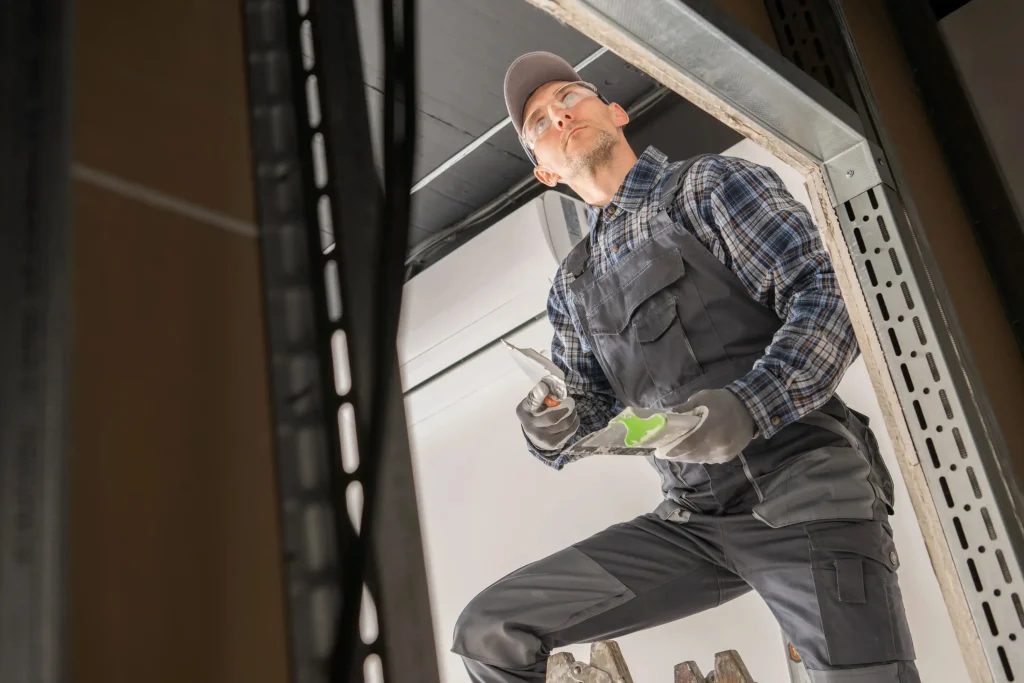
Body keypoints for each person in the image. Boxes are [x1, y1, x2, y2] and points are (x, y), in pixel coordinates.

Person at [451, 52, 918, 683]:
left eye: (569, 96)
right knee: (490, 632)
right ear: (543, 170)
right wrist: (552, 426)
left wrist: (753, 403)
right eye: (539, 121)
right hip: (693, 522)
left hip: (802, 487)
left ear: (612, 111)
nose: (559, 114)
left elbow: (830, 293)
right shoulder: (571, 286)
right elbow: (585, 406)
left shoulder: (708, 187)